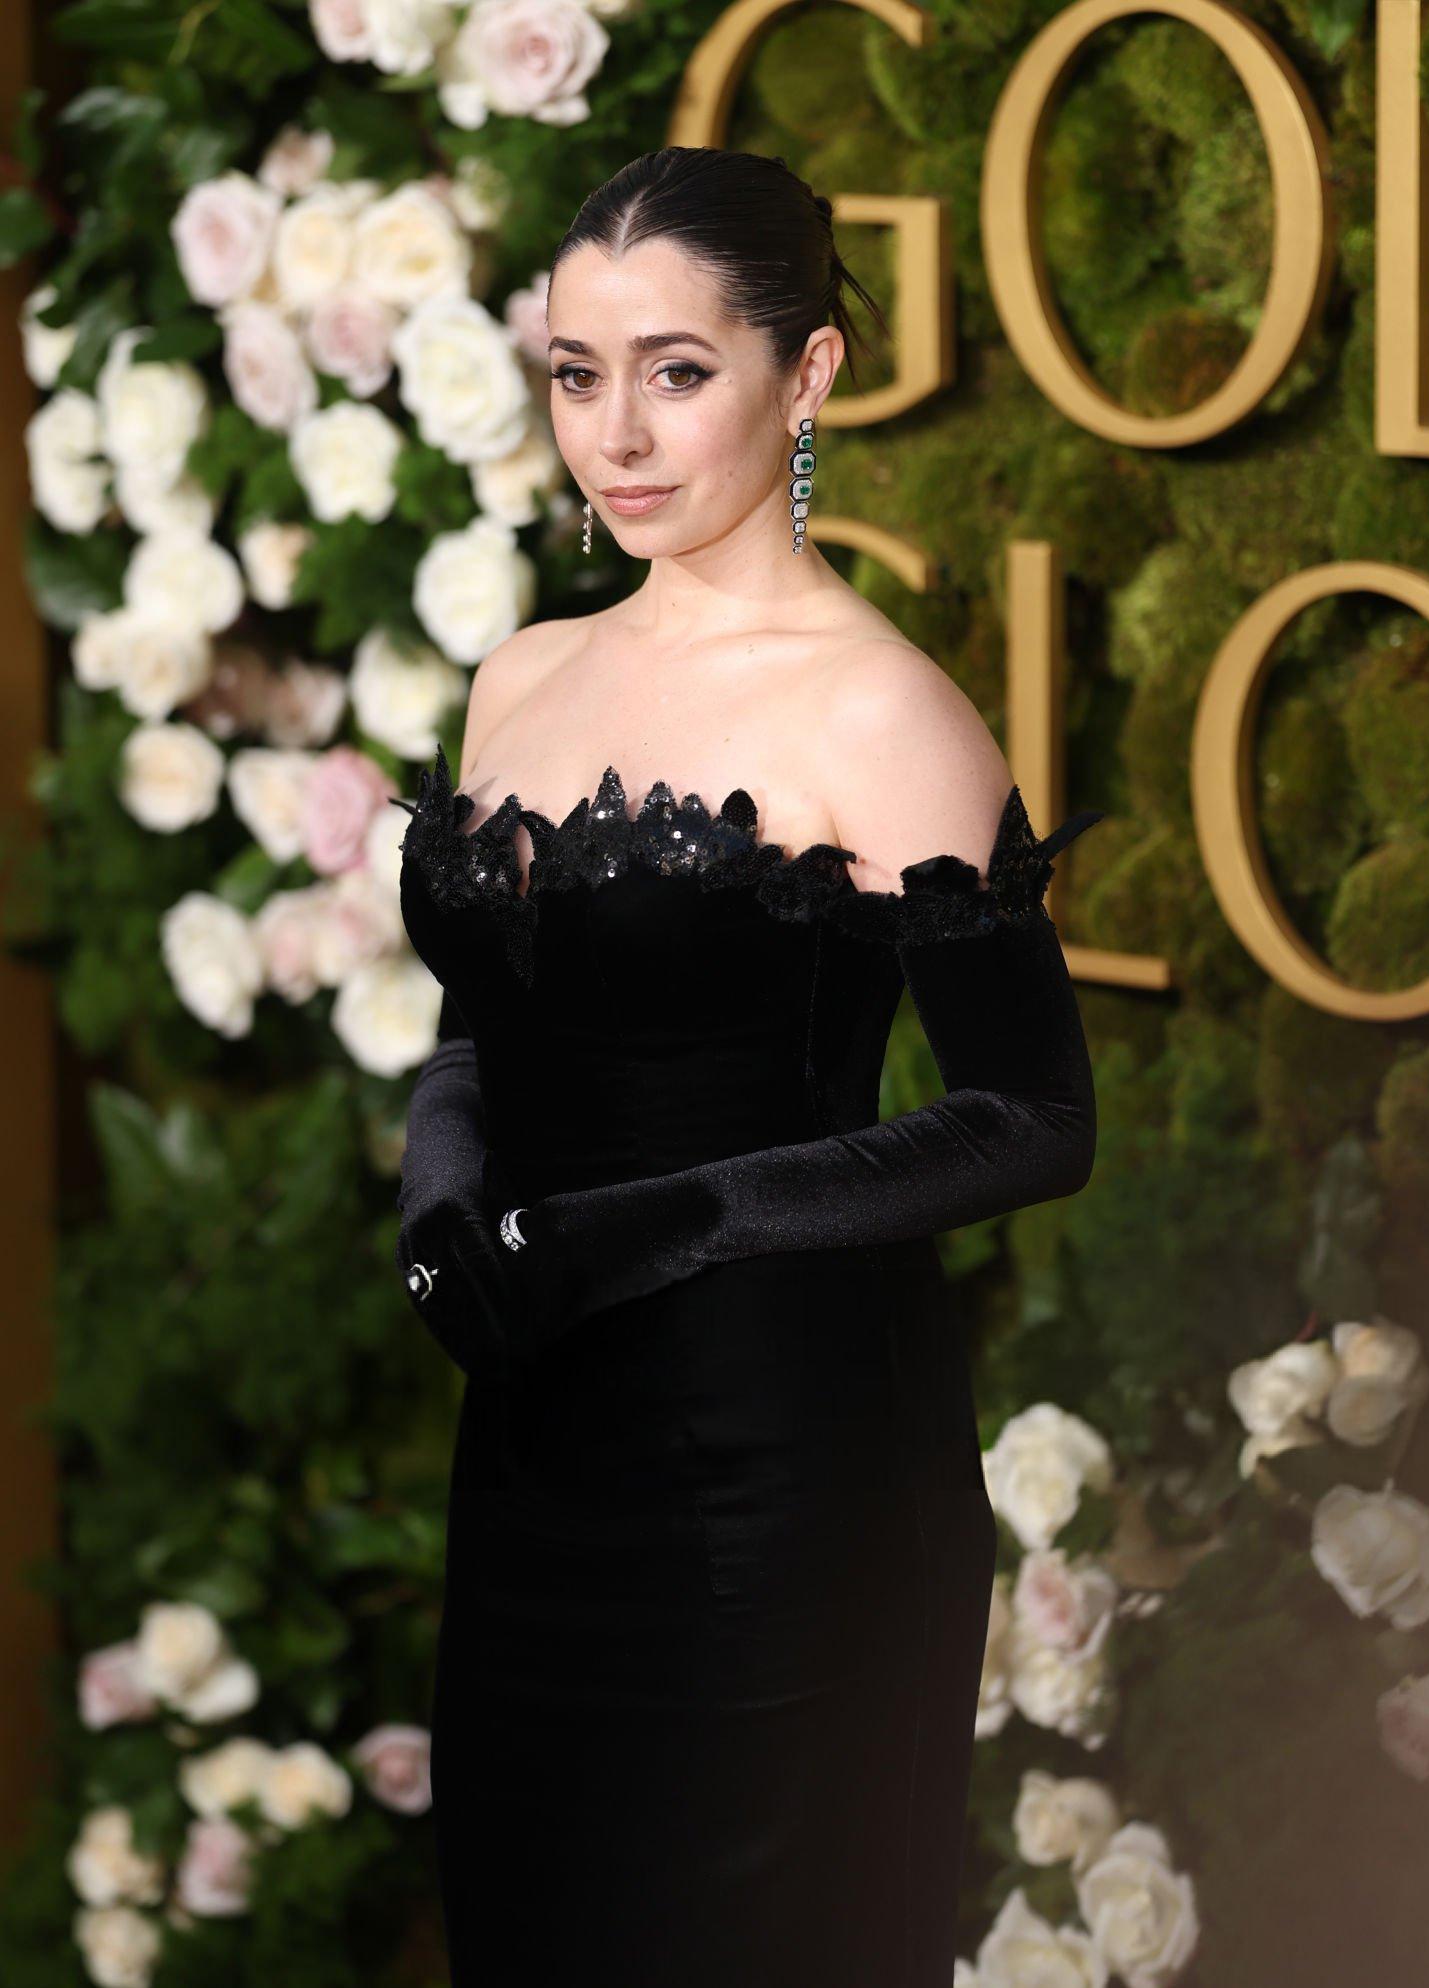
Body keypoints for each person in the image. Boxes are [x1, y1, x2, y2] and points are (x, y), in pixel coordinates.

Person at [393, 145, 1103, 1987]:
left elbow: (1034, 1119)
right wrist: (442, 1197)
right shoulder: (517, 679)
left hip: (783, 1472)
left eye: (678, 371)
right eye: (578, 373)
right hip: (537, 1446)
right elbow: (486, 1021)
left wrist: (662, 1224)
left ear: (809, 376)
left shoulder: (878, 704)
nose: (616, 435)